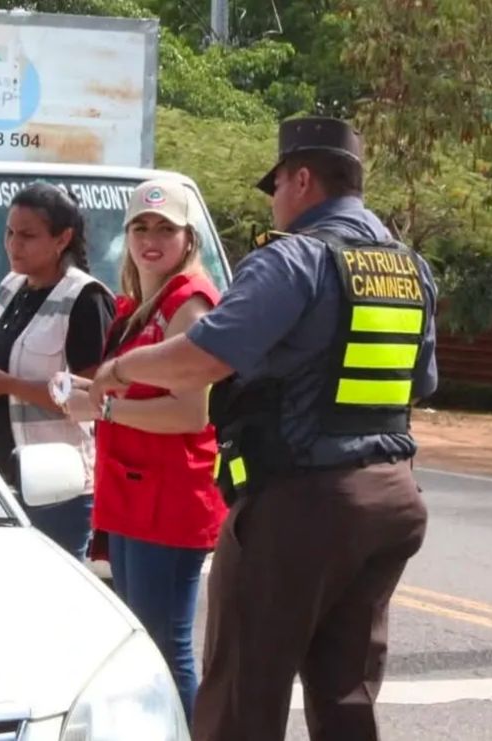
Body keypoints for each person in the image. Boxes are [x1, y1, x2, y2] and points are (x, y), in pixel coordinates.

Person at [88, 117, 437, 741]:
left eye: (275, 183)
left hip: (301, 503)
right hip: (391, 498)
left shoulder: (294, 258)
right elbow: (420, 382)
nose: (274, 198)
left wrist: (118, 368)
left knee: (243, 694)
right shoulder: (409, 268)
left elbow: (202, 358)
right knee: (346, 692)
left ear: (301, 179)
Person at [60, 179, 226, 724]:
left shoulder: (190, 303)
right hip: (130, 494)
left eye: (166, 229)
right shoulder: (136, 303)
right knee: (141, 645)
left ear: (189, 237)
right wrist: (84, 396)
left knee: (165, 647)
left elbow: (190, 414)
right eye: (141, 228)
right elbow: (124, 394)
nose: (151, 240)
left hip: (170, 497)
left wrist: (103, 410)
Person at [0, 183, 115, 560]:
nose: (14, 245)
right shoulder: (11, 286)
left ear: (63, 239)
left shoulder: (85, 299)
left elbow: (92, 399)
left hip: (55, 488)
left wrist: (8, 385)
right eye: (9, 233)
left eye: (28, 236)